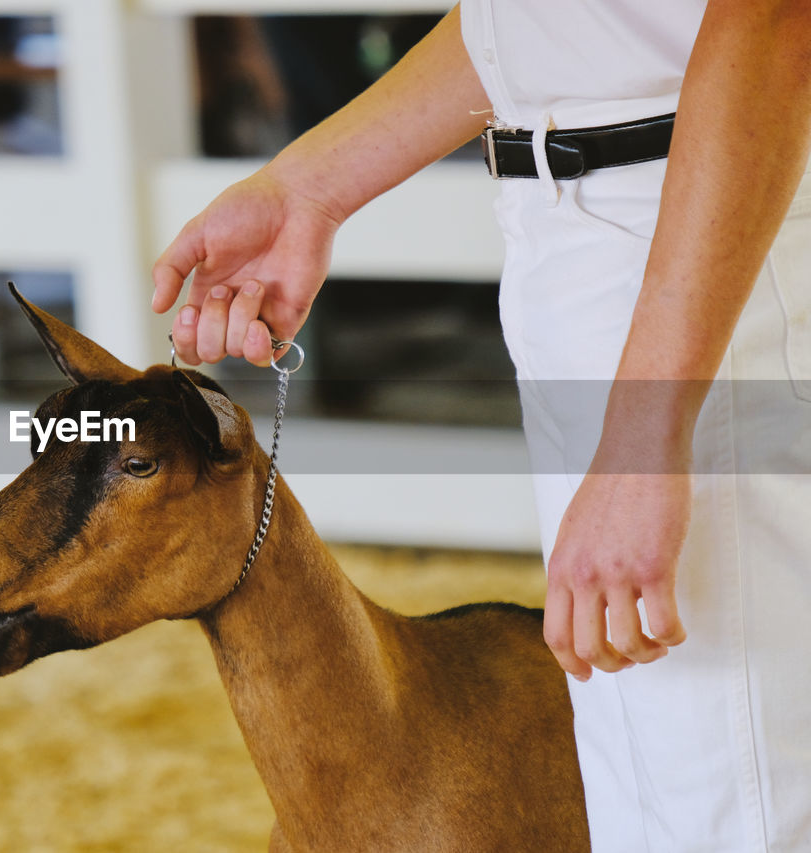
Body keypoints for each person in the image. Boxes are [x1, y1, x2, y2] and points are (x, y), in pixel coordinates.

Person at [152, 2, 811, 850]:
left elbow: (770, 18)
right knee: (643, 778)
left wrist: (642, 440)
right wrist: (309, 186)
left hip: (697, 231)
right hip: (578, 228)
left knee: (731, 791)